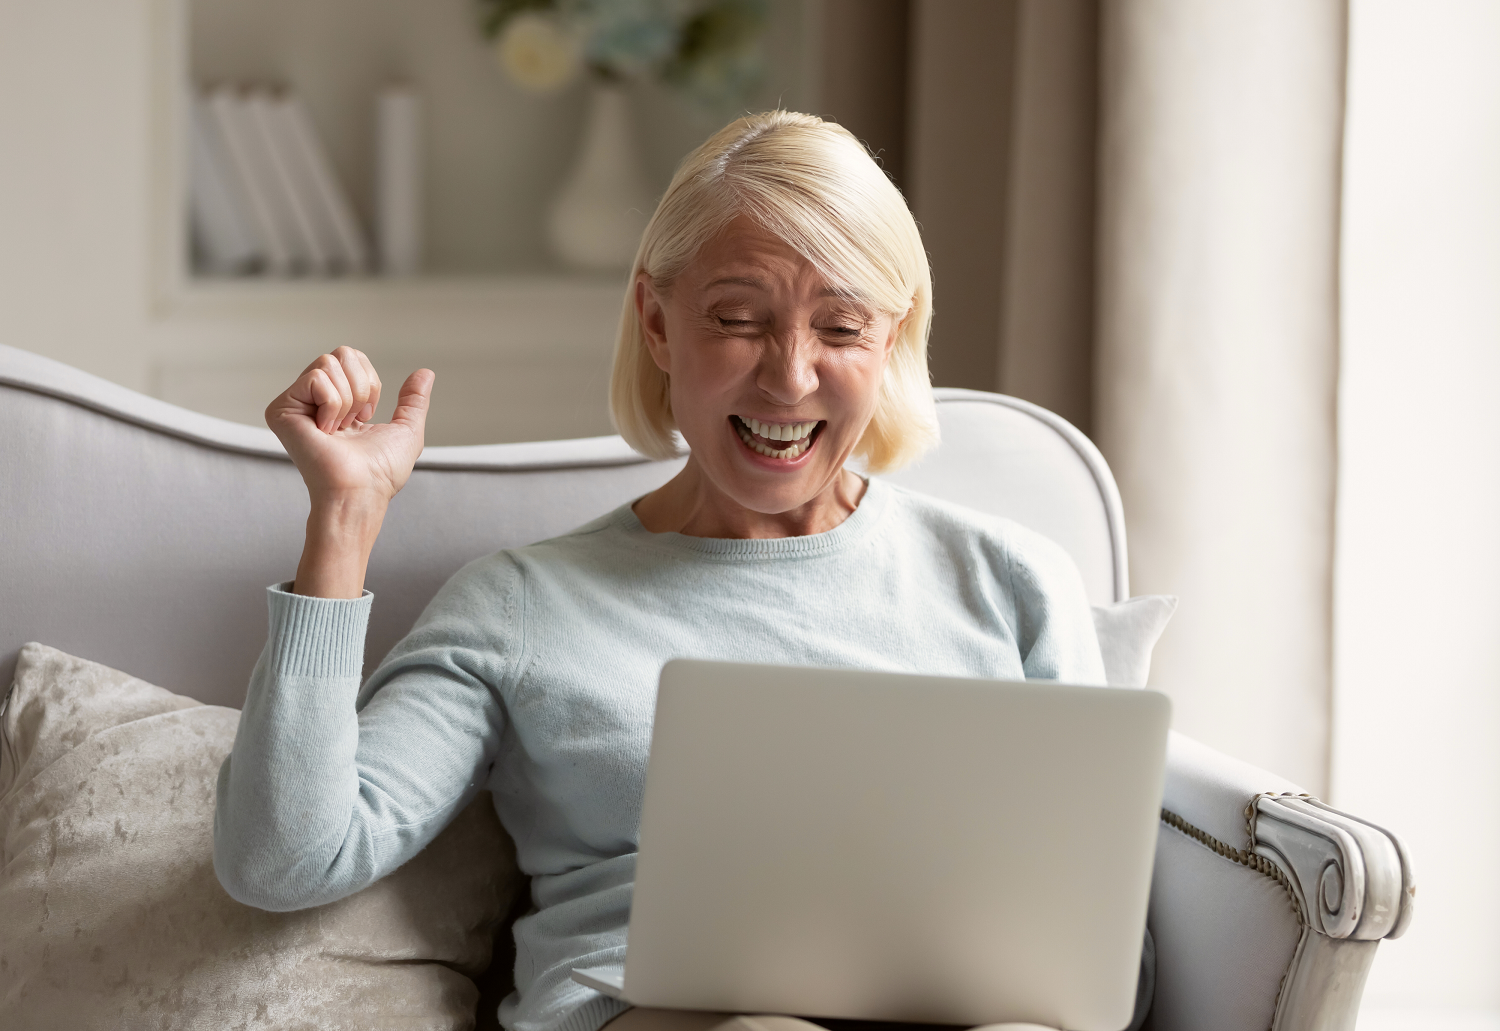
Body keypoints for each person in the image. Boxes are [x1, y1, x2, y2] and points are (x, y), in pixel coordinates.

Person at [213, 111, 1149, 1031]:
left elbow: (1108, 970)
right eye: (739, 318)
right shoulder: (522, 606)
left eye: (842, 328)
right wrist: (344, 517)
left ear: (893, 340)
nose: (789, 377)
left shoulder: (1016, 582)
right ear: (657, 322)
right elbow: (284, 857)